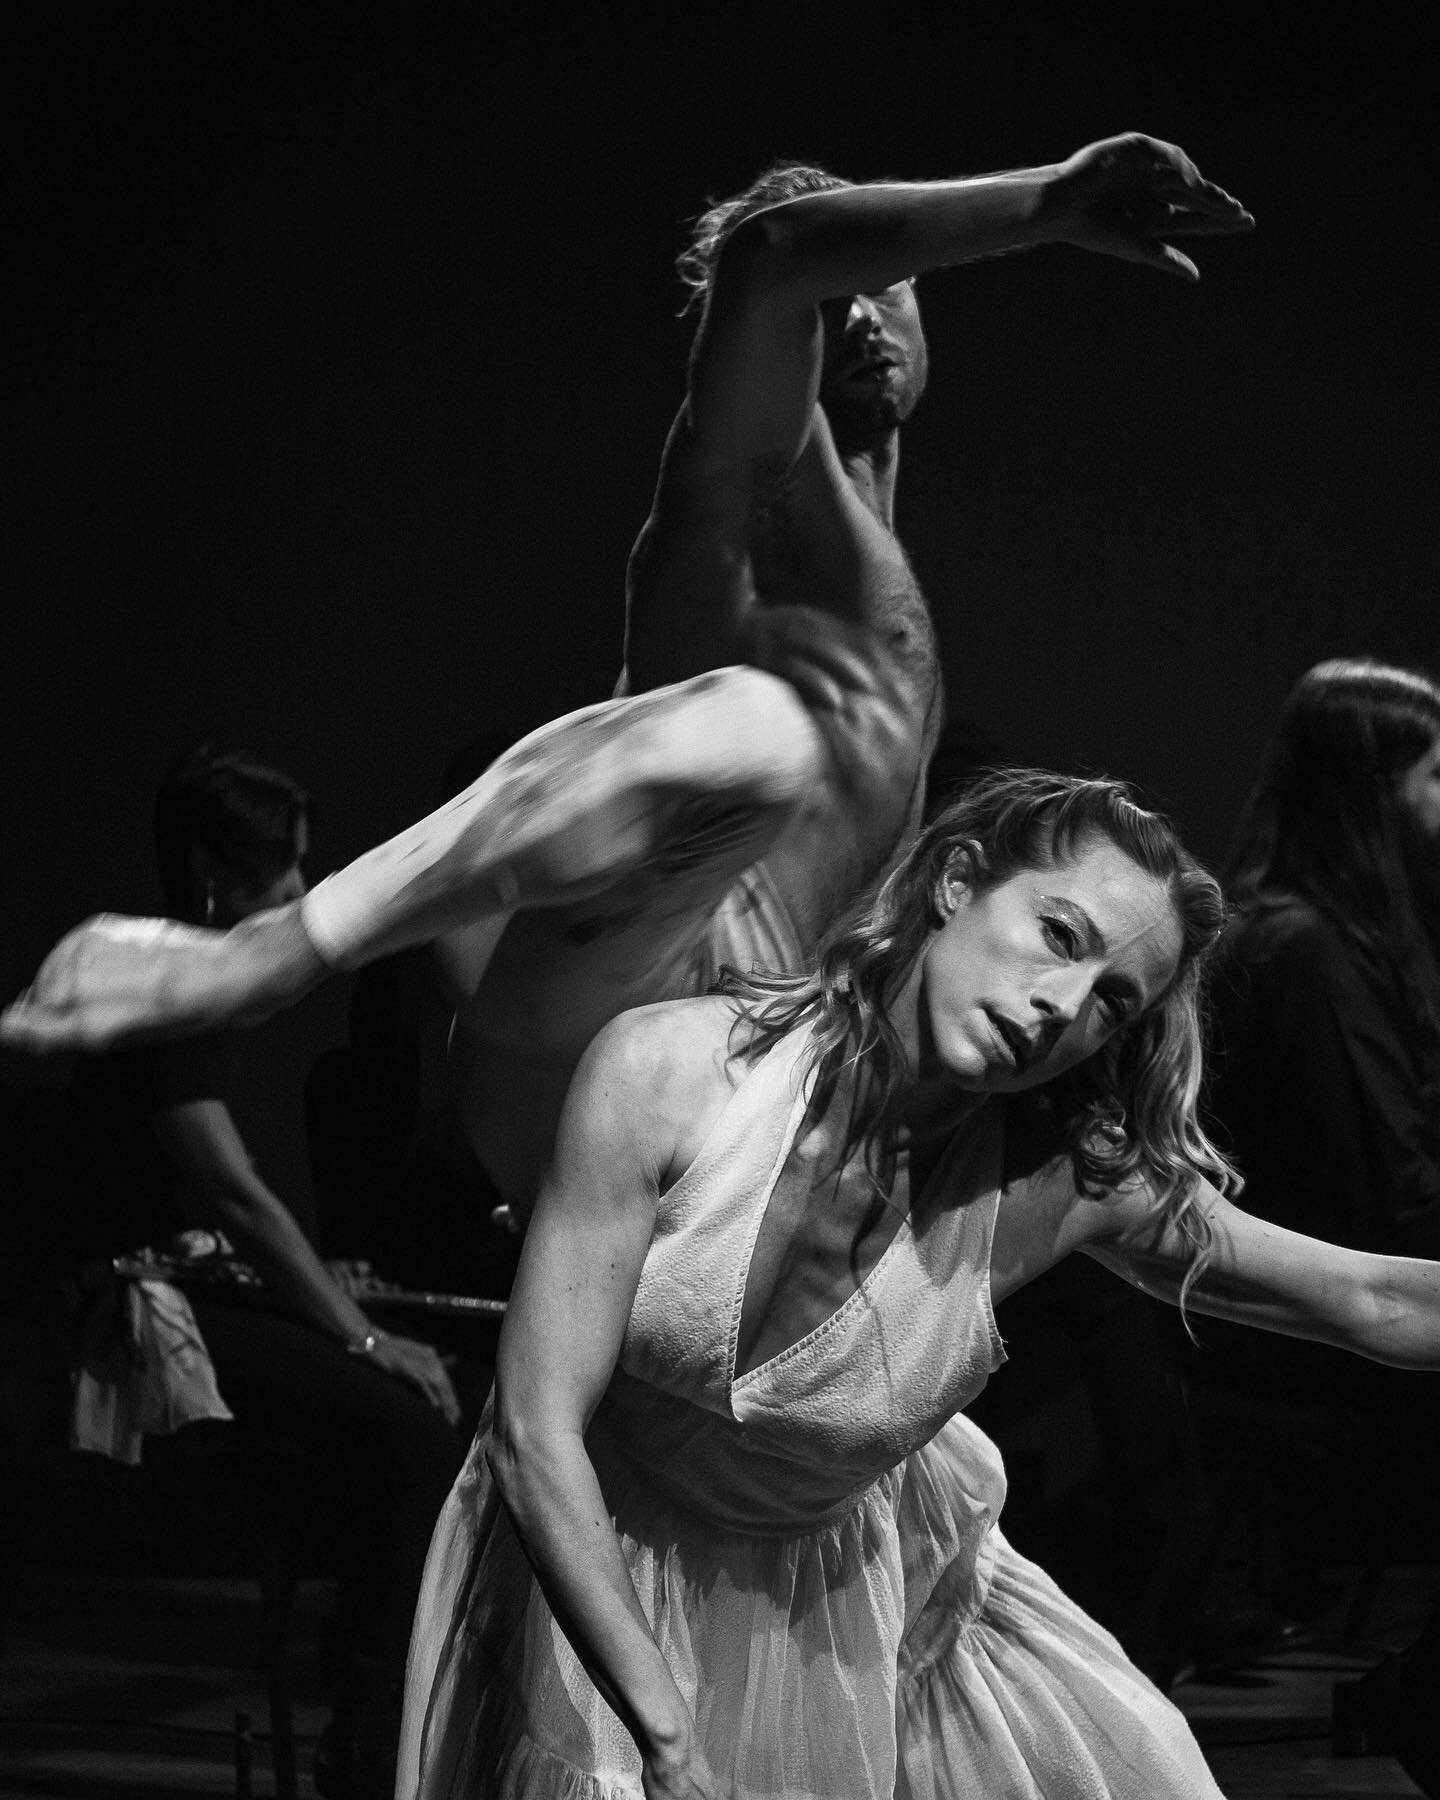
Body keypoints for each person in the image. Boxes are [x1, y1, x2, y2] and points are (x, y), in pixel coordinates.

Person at [1, 135, 1253, 1235]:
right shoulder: (745, 496)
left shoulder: (878, 565)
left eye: (891, 289)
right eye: (837, 299)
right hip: (627, 1002)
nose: (864, 317)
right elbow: (772, 253)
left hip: (736, 1084)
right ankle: (277, 951)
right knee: (768, 736)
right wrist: (1050, 200)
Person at [393, 769, 1440, 1798]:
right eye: (1060, 935)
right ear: (954, 881)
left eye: (1112, 1003)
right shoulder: (667, 1073)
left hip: (833, 1620)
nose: (1061, 1006)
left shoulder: (1063, 1183)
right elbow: (533, 1432)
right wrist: (664, 1732)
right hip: (577, 1562)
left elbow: (1374, 1299)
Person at [54, 747, 464, 1799]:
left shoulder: (184, 988)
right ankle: (372, 1731)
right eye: (278, 871)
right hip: (140, 1306)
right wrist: (361, 1334)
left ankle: (375, 1675)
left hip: (189, 1281)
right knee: (409, 1423)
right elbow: (228, 1192)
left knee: (420, 1373)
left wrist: (330, 1288)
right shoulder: (160, 993)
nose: (297, 894)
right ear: (207, 871)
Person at [1195, 659, 1440, 1770]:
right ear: (1371, 792)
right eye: (1437, 777)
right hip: (1307, 1335)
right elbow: (1378, 1206)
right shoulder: (1306, 950)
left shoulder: (1343, 941)